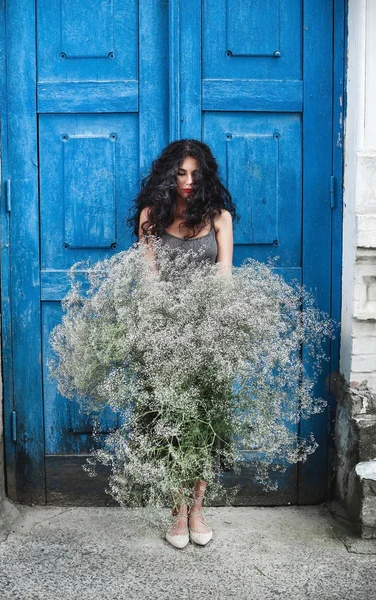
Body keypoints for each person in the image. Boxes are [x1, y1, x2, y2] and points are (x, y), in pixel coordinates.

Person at [126, 139, 237, 548]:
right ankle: (176, 509)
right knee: (167, 420)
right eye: (181, 173)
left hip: (209, 332)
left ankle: (197, 508)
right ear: (168, 175)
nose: (188, 182)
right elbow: (150, 282)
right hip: (163, 332)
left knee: (206, 421)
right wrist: (167, 330)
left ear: (205, 176)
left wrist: (211, 328)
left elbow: (225, 277)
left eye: (195, 174)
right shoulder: (151, 218)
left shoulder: (220, 218)